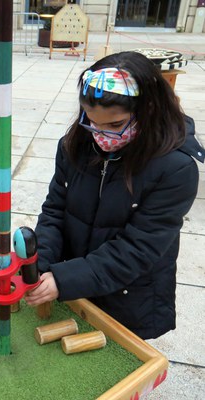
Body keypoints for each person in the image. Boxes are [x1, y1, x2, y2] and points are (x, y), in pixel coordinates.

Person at [25, 51, 204, 340]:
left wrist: (65, 278)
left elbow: (138, 249)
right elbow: (55, 210)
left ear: (148, 109)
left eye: (115, 124)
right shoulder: (74, 145)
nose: (100, 134)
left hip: (128, 295)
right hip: (74, 285)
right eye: (90, 120)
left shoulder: (175, 169)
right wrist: (39, 263)